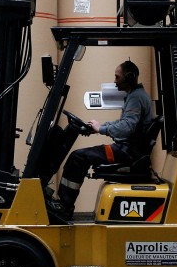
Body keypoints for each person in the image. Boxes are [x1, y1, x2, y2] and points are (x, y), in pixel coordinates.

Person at [55, 60, 154, 217]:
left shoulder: (136, 97)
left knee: (78, 157)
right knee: (80, 156)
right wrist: (100, 127)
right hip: (127, 149)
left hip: (126, 152)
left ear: (129, 77)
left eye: (117, 77)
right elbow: (122, 123)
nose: (115, 81)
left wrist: (101, 129)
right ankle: (64, 204)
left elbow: (126, 127)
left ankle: (64, 205)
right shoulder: (136, 95)